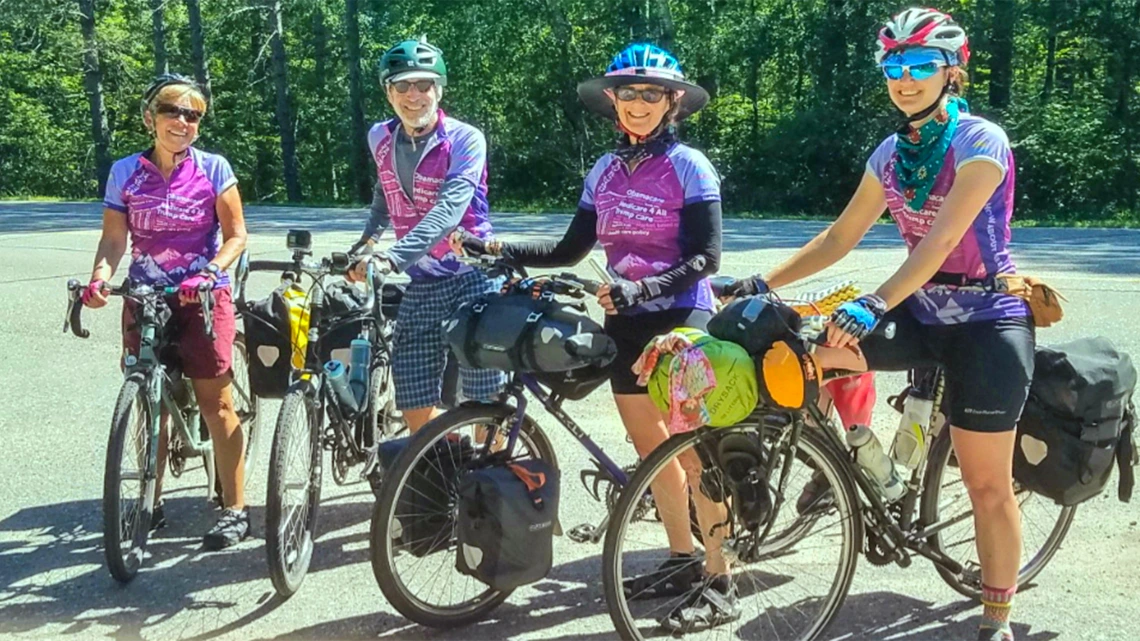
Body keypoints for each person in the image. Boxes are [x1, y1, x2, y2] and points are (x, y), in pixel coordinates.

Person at [731, 9, 1030, 640]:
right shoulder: (891, 153)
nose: (906, 78)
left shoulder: (982, 141)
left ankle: (996, 616)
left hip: (986, 319)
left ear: (952, 70)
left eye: (922, 65)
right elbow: (841, 235)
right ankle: (852, 470)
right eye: (895, 66)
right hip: (920, 311)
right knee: (806, 354)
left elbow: (943, 240)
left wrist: (875, 299)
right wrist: (763, 282)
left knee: (986, 485)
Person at [453, 43, 736, 630]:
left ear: (672, 101)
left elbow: (706, 258)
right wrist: (499, 247)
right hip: (626, 323)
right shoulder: (603, 171)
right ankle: (682, 559)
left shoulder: (691, 166)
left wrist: (645, 289)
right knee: (653, 453)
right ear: (612, 100)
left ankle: (721, 573)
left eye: (650, 93)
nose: (638, 104)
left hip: (683, 319)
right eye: (628, 93)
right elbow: (570, 249)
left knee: (696, 454)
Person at [83, 73, 250, 550]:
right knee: (146, 399)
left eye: (192, 114)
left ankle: (235, 509)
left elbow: (237, 235)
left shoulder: (214, 169)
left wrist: (212, 271)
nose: (182, 121)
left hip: (201, 294)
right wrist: (99, 278)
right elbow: (115, 239)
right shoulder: (124, 172)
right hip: (145, 295)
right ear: (149, 117)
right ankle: (149, 501)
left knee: (216, 403)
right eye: (171, 111)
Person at [348, 37, 504, 434]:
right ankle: (450, 471)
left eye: (424, 84)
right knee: (414, 401)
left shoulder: (466, 139)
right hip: (422, 282)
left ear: (440, 88)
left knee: (484, 401)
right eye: (402, 85)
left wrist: (389, 257)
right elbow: (385, 195)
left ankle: (490, 487)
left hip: (474, 277)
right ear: (388, 92)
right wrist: (366, 242)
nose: (414, 95)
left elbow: (449, 209)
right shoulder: (379, 138)